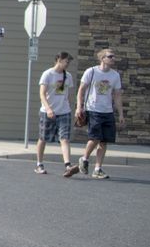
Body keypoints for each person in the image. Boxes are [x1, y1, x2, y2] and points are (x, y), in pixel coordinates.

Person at [76, 48, 124, 179]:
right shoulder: (91, 72)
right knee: (95, 137)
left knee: (104, 141)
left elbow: (117, 95)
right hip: (93, 109)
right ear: (102, 58)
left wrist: (120, 114)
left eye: (113, 56)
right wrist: (79, 107)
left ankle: (98, 169)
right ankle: (84, 159)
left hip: (107, 111)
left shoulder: (115, 75)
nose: (113, 58)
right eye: (110, 56)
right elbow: (81, 90)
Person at [35, 52, 78, 177]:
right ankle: (39, 164)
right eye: (66, 61)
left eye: (69, 62)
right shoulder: (47, 74)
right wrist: (48, 109)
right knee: (43, 138)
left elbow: (68, 94)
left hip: (64, 112)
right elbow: (42, 94)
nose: (68, 64)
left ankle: (68, 165)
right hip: (47, 112)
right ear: (58, 60)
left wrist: (72, 108)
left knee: (64, 138)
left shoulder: (68, 76)